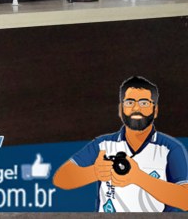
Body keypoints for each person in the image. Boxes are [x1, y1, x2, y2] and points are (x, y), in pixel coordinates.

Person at [53, 76, 188, 212]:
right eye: (129, 102)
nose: (136, 108)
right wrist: (94, 172)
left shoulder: (170, 148)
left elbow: (185, 200)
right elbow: (61, 179)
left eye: (144, 103)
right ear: (120, 109)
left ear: (155, 110)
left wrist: (138, 177)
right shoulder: (103, 145)